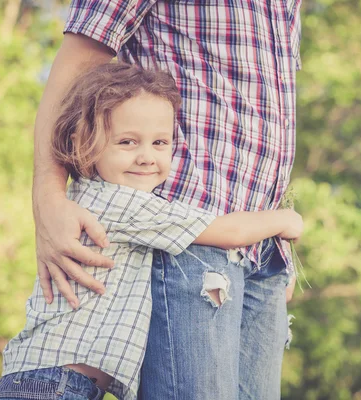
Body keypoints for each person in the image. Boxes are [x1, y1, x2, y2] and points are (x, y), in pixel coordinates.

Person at [33, 1, 303, 399]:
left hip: (261, 252)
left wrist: (276, 247)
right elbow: (78, 60)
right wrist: (47, 197)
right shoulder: (131, 207)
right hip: (188, 239)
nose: (144, 151)